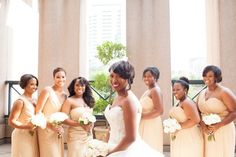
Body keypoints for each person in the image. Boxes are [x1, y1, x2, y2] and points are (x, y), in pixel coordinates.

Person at [104, 60, 164, 157]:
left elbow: (130, 138)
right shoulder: (117, 96)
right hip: (113, 145)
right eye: (112, 76)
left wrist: (110, 153)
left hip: (125, 150)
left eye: (119, 76)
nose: (114, 80)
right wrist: (105, 146)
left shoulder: (128, 101)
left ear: (127, 78)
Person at [197, 65, 236, 157]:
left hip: (222, 130)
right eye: (205, 76)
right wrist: (202, 125)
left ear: (216, 77)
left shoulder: (224, 92)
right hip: (206, 130)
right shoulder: (202, 93)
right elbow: (197, 111)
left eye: (210, 76)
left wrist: (218, 125)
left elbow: (234, 112)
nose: (206, 78)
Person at [36, 67, 67, 157]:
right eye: (58, 77)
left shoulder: (65, 95)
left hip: (57, 130)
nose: (61, 79)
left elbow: (63, 114)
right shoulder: (47, 91)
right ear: (53, 78)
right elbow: (38, 111)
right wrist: (50, 126)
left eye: (63, 77)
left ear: (66, 78)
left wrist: (59, 127)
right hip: (45, 128)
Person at [61, 77, 95, 157]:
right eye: (77, 85)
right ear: (73, 87)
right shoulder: (69, 101)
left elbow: (91, 117)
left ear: (85, 87)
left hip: (88, 135)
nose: (80, 87)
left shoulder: (88, 100)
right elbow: (63, 119)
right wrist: (79, 124)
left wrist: (90, 126)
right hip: (75, 136)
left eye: (82, 85)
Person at [169, 77, 203, 157]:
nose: (175, 92)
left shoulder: (187, 103)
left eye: (178, 89)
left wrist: (177, 127)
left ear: (185, 90)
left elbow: (195, 120)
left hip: (189, 137)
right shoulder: (180, 102)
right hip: (182, 136)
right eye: (173, 89)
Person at [8, 74, 39, 157]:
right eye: (32, 84)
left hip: (34, 135)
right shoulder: (20, 101)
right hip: (22, 135)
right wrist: (27, 126)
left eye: (36, 84)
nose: (35, 87)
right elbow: (11, 121)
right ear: (24, 85)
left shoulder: (36, 100)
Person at [139, 67, 163, 152]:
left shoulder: (155, 90)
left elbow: (159, 110)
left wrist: (141, 116)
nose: (146, 78)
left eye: (149, 76)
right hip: (146, 122)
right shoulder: (149, 90)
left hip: (151, 123)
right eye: (145, 76)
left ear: (155, 77)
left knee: (150, 146)